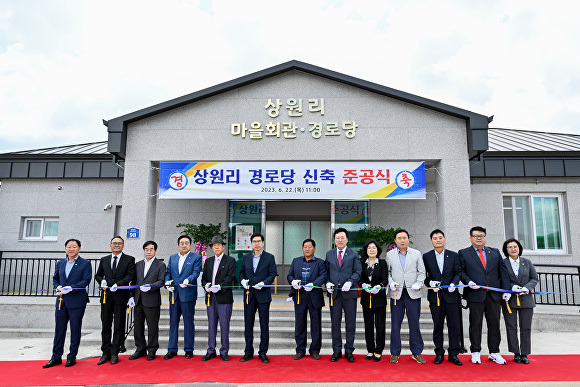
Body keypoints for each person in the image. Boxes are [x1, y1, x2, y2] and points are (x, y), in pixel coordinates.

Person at [459, 226, 511, 365]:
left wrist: (506, 290)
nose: (479, 238)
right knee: (475, 324)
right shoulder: (463, 253)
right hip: (475, 295)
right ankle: (475, 352)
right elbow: (461, 271)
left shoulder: (494, 252)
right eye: (475, 235)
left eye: (481, 235)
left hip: (494, 295)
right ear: (471, 238)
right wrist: (468, 281)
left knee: (494, 324)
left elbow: (503, 272)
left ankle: (494, 352)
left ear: (485, 237)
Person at [43, 239, 92, 368]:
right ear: (65, 248)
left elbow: (86, 280)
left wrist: (72, 287)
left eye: (74, 247)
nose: (71, 249)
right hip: (61, 301)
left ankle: (72, 356)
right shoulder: (60, 263)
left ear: (79, 248)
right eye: (69, 247)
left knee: (75, 330)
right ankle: (56, 357)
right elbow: (55, 279)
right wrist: (58, 287)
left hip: (77, 301)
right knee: (59, 330)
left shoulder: (85, 263)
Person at [422, 229, 463, 366]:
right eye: (435, 238)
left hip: (452, 297)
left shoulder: (453, 255)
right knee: (437, 326)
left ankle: (453, 353)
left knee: (454, 326)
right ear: (431, 241)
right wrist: (430, 283)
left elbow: (458, 272)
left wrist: (454, 283)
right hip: (435, 297)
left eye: (440, 237)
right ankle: (439, 353)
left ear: (444, 239)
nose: (438, 240)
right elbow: (424, 275)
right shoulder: (427, 256)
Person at [386, 229, 426, 364]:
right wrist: (391, 283)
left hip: (413, 293)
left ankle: (417, 352)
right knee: (395, 324)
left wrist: (418, 283)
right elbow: (388, 273)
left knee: (414, 323)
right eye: (399, 238)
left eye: (404, 238)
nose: (402, 240)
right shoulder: (390, 254)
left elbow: (422, 272)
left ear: (408, 239)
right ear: (395, 241)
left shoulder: (416, 254)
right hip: (396, 294)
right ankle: (395, 353)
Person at [95, 236, 136, 365]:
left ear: (123, 246)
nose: (117, 245)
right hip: (106, 297)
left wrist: (119, 284)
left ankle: (114, 352)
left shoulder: (129, 259)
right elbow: (98, 274)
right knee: (106, 325)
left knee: (119, 325)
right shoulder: (104, 260)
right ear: (110, 245)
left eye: (119, 243)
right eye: (114, 243)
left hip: (120, 297)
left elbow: (130, 275)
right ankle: (105, 352)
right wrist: (101, 281)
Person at [239, 232, 278, 363]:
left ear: (263, 243)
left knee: (264, 325)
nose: (257, 243)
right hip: (249, 295)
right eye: (254, 241)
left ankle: (263, 352)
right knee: (248, 324)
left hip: (263, 295)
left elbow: (273, 274)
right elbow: (242, 272)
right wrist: (242, 281)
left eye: (259, 241)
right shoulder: (246, 257)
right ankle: (248, 352)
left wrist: (264, 283)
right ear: (251, 243)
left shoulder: (269, 257)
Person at [325, 227, 362, 362]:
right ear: (334, 240)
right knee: (335, 323)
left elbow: (358, 271)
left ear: (347, 239)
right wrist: (327, 283)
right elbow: (326, 272)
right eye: (337, 238)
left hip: (349, 293)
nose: (340, 240)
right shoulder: (329, 254)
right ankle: (336, 350)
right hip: (334, 294)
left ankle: (349, 350)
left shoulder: (353, 254)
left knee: (350, 323)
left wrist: (350, 282)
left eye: (342, 237)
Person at [164, 235, 203, 359]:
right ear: (178, 245)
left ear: (190, 245)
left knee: (188, 322)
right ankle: (172, 349)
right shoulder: (172, 258)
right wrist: (167, 283)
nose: (184, 245)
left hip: (188, 294)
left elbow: (196, 272)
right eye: (181, 243)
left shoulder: (196, 257)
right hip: (174, 294)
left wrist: (188, 280)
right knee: (173, 322)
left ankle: (189, 349)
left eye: (186, 243)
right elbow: (168, 273)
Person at [287, 238, 327, 360]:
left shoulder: (320, 262)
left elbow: (323, 276)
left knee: (316, 325)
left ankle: (315, 350)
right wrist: (292, 281)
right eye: (305, 246)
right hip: (300, 296)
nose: (307, 248)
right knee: (299, 324)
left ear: (314, 249)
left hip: (314, 296)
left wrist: (313, 284)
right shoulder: (296, 261)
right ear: (302, 249)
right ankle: (300, 349)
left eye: (310, 246)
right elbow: (289, 275)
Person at [501, 238, 538, 365]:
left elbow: (534, 278)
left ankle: (524, 353)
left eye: (515, 246)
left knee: (526, 327)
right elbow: (500, 279)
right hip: (510, 300)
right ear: (506, 250)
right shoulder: (502, 263)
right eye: (509, 247)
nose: (513, 249)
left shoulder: (527, 262)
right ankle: (516, 353)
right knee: (511, 327)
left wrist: (527, 287)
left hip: (526, 299)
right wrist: (511, 287)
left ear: (519, 248)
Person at [127, 240, 166, 361]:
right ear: (144, 251)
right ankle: (140, 349)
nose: (149, 251)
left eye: (151, 249)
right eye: (146, 249)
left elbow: (161, 281)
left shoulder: (160, 265)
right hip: (138, 300)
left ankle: (152, 349)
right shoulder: (137, 264)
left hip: (152, 300)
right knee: (138, 327)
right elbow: (133, 283)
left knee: (152, 326)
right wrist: (131, 296)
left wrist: (151, 286)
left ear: (155, 251)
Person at [200, 236, 236, 361]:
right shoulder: (208, 261)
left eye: (219, 245)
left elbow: (230, 278)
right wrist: (206, 286)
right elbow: (203, 278)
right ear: (211, 248)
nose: (216, 247)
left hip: (224, 297)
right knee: (211, 324)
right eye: (214, 245)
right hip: (211, 297)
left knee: (224, 325)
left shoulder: (230, 260)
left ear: (223, 246)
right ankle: (211, 350)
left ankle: (224, 351)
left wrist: (220, 287)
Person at [358, 239, 388, 362]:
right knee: (368, 325)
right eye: (369, 247)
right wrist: (362, 284)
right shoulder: (361, 263)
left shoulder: (382, 263)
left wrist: (380, 286)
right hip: (366, 299)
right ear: (366, 250)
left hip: (379, 298)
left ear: (378, 250)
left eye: (374, 247)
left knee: (380, 325)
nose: (371, 250)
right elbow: (359, 278)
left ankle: (379, 350)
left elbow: (385, 279)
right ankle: (370, 349)